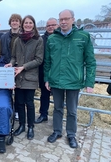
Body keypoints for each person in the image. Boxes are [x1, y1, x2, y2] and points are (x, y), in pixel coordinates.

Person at [44, 9, 96, 148]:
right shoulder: (52, 38)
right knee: (57, 108)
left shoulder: (83, 37)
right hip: (56, 80)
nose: (63, 22)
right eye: (61, 19)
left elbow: (90, 61)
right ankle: (57, 131)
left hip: (74, 81)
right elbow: (47, 61)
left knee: (72, 110)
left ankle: (71, 134)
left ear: (73, 20)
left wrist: (89, 82)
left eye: (66, 19)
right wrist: (47, 78)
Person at [5, 15, 43, 140]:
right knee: (19, 102)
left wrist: (24, 67)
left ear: (33, 24)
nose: (27, 25)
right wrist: (11, 63)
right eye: (26, 23)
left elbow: (39, 59)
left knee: (29, 103)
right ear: (23, 25)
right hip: (18, 76)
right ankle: (21, 125)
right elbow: (14, 56)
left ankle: (30, 126)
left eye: (30, 23)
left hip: (30, 77)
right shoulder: (18, 40)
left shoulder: (38, 40)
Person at [0, 13, 22, 121]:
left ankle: (17, 111)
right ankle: (7, 110)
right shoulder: (4, 37)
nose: (15, 22)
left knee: (18, 91)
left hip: (20, 68)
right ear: (10, 23)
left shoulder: (23, 36)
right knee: (6, 90)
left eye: (17, 20)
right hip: (6, 67)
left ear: (20, 23)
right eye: (13, 21)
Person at [35, 18, 59, 124]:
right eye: (49, 25)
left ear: (57, 25)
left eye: (53, 25)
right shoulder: (41, 39)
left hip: (58, 71)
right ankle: (43, 114)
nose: (51, 27)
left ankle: (57, 117)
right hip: (44, 70)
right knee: (44, 94)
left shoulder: (60, 38)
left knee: (59, 95)